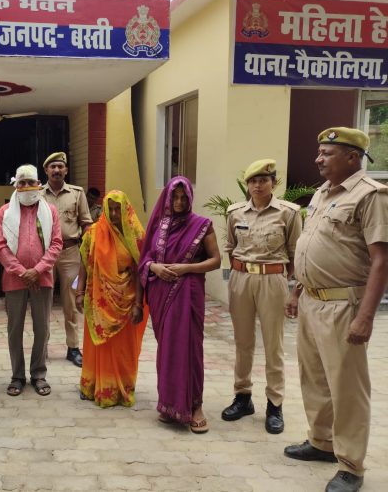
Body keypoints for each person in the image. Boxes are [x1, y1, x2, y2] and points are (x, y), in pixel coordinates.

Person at [284, 128, 388, 492]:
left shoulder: (371, 196)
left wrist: (365, 317)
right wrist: (297, 292)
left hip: (344, 305)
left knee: (346, 388)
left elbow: (381, 260)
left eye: (326, 153)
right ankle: (321, 442)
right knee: (314, 377)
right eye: (319, 152)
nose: (318, 159)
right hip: (311, 300)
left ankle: (351, 465)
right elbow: (312, 246)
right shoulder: (322, 193)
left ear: (352, 157)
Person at [221, 159, 302, 435]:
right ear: (248, 184)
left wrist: (288, 284)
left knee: (273, 344)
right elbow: (230, 247)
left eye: (263, 180)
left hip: (272, 279)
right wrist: (240, 273)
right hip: (241, 279)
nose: (258, 185)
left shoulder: (288, 213)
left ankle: (274, 404)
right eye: (253, 181)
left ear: (273, 183)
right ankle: (242, 397)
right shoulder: (235, 213)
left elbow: (295, 252)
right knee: (243, 342)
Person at [138, 176, 221, 433]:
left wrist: (186, 268)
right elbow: (145, 259)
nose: (179, 202)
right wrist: (155, 267)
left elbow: (216, 260)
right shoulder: (158, 225)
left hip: (188, 293)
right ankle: (169, 404)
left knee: (190, 349)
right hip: (161, 294)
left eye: (184, 197)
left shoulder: (202, 225)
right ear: (167, 197)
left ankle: (195, 406)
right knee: (168, 350)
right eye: (174, 197)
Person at [75, 190, 148, 408]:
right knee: (99, 346)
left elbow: (141, 271)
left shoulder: (136, 235)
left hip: (127, 302)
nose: (114, 214)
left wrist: (138, 304)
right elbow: (84, 263)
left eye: (118, 209)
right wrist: (79, 292)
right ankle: (94, 385)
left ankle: (122, 388)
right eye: (111, 209)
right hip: (98, 300)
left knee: (123, 349)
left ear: (126, 209)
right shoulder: (93, 233)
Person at [0, 164, 63, 397]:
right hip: (14, 279)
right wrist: (22, 272)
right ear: (16, 185)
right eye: (21, 183)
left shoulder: (50, 211)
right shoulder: (5, 211)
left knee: (42, 329)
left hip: (42, 279)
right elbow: (0, 246)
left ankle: (38, 374)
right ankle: (17, 376)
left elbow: (56, 244)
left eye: (30, 182)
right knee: (14, 329)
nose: (26, 187)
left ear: (38, 184)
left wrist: (37, 270)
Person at [41, 152, 93, 367]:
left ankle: (73, 348)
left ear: (66, 170)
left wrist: (88, 250)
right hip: (44, 254)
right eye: (52, 167)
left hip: (70, 252)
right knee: (43, 300)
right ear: (46, 170)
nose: (56, 170)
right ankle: (41, 347)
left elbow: (86, 223)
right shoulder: (38, 194)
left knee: (71, 302)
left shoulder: (77, 194)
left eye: (60, 166)